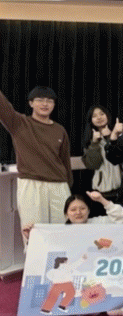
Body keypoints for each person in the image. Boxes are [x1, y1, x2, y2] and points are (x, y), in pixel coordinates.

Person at [0, 86, 72, 236]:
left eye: (49, 101)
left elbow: (65, 161)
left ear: (54, 105)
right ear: (31, 103)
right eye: (40, 100)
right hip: (31, 184)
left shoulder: (60, 130)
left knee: (63, 232)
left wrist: (68, 185)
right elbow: (3, 107)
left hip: (59, 186)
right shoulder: (19, 123)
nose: (45, 104)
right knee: (34, 233)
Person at [81, 105, 122, 201]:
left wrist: (110, 137)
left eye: (102, 114)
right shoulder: (89, 140)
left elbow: (121, 156)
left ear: (107, 115)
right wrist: (94, 143)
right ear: (91, 120)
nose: (99, 117)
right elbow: (93, 165)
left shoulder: (120, 132)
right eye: (94, 116)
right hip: (102, 189)